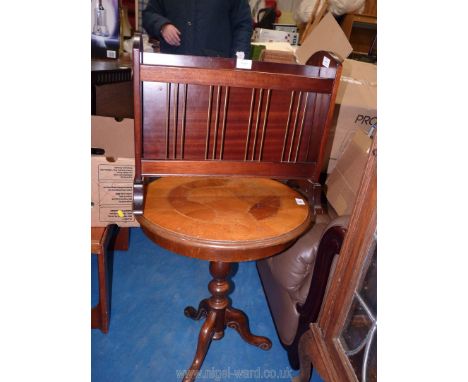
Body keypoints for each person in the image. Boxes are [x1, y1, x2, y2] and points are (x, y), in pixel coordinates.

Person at [142, 0, 253, 58]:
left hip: (216, 69)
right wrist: (162, 26)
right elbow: (149, 14)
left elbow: (243, 24)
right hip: (174, 66)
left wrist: (239, 60)